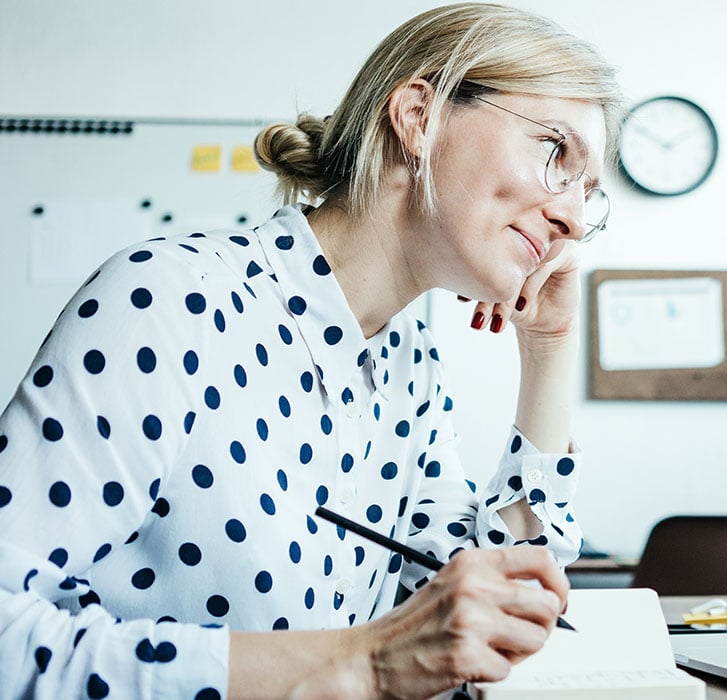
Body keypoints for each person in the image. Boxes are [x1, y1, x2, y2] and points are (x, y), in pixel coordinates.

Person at [0, 5, 623, 699]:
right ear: (419, 117)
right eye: (553, 152)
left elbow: (491, 609)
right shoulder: (172, 302)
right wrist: (366, 663)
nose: (571, 216)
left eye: (589, 194)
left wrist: (550, 345)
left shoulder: (405, 356)